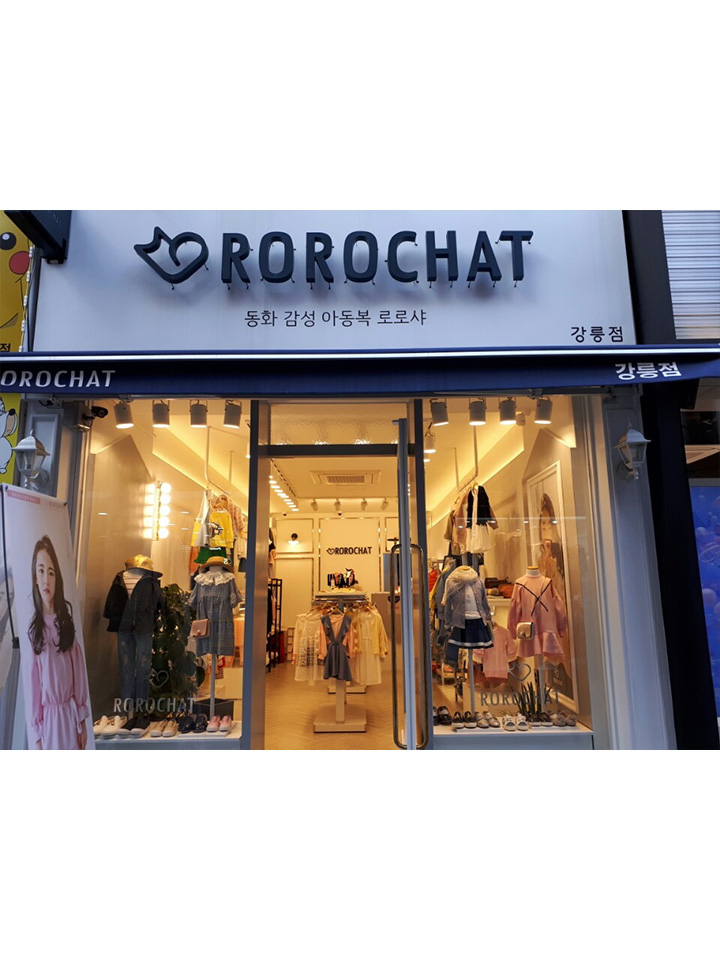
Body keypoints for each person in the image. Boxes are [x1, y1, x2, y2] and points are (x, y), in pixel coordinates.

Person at [27, 536, 90, 749]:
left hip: (70, 719)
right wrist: (38, 736)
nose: (46, 579)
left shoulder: (66, 626)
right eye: (41, 571)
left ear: (57, 579)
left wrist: (82, 723)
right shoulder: (34, 633)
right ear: (35, 577)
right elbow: (34, 687)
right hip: (48, 724)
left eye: (51, 572)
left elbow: (78, 676)